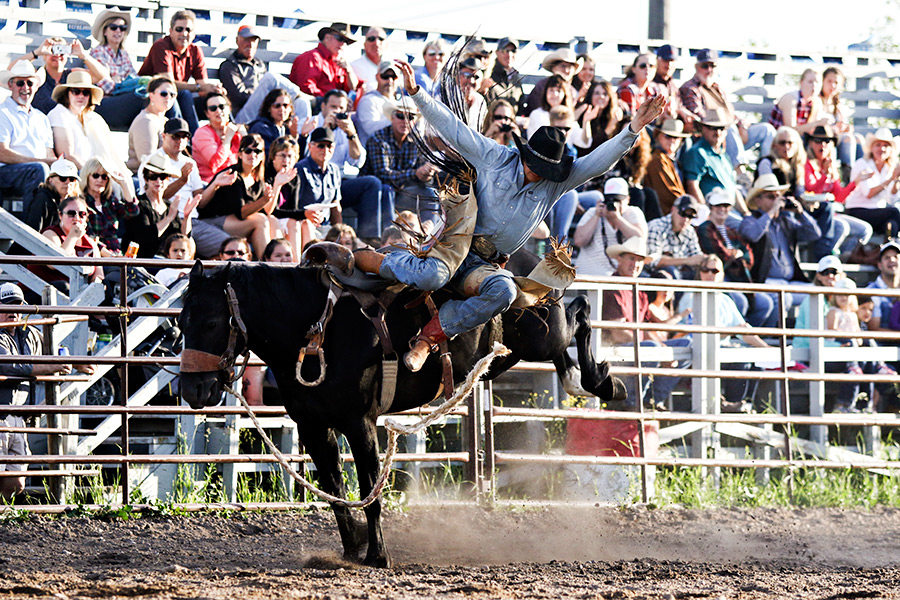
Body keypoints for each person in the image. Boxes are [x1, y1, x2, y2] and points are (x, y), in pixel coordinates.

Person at [352, 61, 665, 371]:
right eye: (534, 167)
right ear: (525, 156)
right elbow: (454, 128)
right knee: (433, 276)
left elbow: (597, 162)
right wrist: (417, 93)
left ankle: (427, 339)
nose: (537, 175)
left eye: (545, 171)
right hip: (457, 245)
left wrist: (633, 128)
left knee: (505, 290)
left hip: (489, 264)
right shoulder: (495, 156)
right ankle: (376, 260)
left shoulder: (556, 183)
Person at [0, 283, 75, 500]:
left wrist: (76, 362)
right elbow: (8, 365)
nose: (13, 312)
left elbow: (53, 351)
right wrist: (53, 366)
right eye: (6, 306)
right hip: (2, 413)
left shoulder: (29, 333)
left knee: (17, 481)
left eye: (17, 306)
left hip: (18, 416)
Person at [676, 254, 772, 410]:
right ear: (699, 272)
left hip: (719, 350)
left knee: (757, 359)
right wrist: (731, 331)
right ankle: (733, 405)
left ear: (721, 274)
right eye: (705, 270)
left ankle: (745, 405)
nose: (709, 274)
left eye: (714, 271)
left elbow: (743, 330)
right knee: (739, 358)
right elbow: (697, 334)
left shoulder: (725, 300)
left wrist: (766, 349)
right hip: (695, 351)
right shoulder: (691, 297)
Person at [600, 236, 683, 410]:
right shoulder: (612, 286)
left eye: (639, 261)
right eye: (631, 258)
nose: (635, 264)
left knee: (686, 344)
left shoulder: (639, 291)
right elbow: (619, 334)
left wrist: (662, 348)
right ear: (619, 259)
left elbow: (645, 328)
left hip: (632, 346)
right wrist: (659, 349)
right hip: (612, 349)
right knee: (651, 348)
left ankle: (651, 399)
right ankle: (630, 402)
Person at [143, 118, 225, 258]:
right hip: (166, 223)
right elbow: (150, 197)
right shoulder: (152, 162)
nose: (180, 140)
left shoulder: (189, 162)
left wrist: (215, 184)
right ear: (164, 136)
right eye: (175, 136)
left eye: (184, 136)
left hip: (192, 221)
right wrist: (181, 180)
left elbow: (201, 202)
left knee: (230, 247)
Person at [739, 173, 820, 311]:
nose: (776, 200)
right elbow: (753, 235)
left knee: (817, 294)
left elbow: (814, 234)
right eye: (771, 196)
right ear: (758, 201)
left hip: (790, 281)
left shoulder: (785, 221)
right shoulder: (750, 220)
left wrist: (800, 212)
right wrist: (771, 212)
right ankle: (777, 333)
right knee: (784, 298)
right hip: (765, 281)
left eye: (778, 196)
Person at [679, 49, 774, 166]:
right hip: (713, 134)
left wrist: (741, 124)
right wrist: (729, 125)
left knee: (767, 130)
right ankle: (739, 171)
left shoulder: (717, 88)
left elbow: (730, 113)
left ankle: (765, 170)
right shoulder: (691, 88)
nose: (709, 70)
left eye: (712, 66)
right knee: (729, 129)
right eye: (705, 66)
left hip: (733, 132)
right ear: (696, 67)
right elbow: (700, 117)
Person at [696, 188, 774, 328]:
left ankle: (746, 336)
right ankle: (733, 334)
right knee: (740, 302)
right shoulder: (705, 228)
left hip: (740, 278)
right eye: (718, 206)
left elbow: (748, 256)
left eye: (725, 206)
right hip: (719, 276)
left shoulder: (731, 231)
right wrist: (736, 255)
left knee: (765, 304)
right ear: (711, 208)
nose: (722, 209)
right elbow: (718, 253)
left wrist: (736, 255)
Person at [138, 10, 226, 133]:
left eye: (188, 30)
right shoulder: (161, 47)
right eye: (179, 29)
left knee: (218, 100)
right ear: (171, 31)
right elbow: (169, 84)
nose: (184, 33)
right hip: (150, 98)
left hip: (177, 97)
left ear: (194, 34)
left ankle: (231, 140)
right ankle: (191, 140)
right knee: (183, 94)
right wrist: (200, 87)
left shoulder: (195, 50)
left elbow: (202, 88)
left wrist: (213, 89)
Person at [315, 89, 385, 243]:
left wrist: (351, 134)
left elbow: (357, 161)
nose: (337, 111)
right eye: (333, 107)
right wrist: (325, 130)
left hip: (339, 180)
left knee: (372, 183)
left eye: (341, 108)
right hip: (314, 181)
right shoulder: (312, 122)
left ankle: (368, 238)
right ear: (323, 107)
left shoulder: (346, 127)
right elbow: (306, 157)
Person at [361, 99, 436, 229]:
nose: (405, 121)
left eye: (410, 117)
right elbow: (382, 175)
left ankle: (428, 234)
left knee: (431, 193)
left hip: (404, 192)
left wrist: (426, 175)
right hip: (376, 194)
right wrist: (416, 174)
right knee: (386, 189)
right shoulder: (378, 139)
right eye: (401, 116)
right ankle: (388, 234)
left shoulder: (418, 142)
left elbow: (424, 179)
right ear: (392, 117)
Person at [197, 134, 274, 258]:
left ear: (262, 155)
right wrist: (263, 200)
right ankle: (266, 265)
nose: (253, 155)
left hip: (232, 223)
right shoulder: (233, 175)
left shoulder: (259, 178)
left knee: (272, 221)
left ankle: (279, 262)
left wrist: (278, 185)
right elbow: (241, 213)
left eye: (257, 151)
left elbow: (268, 210)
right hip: (211, 221)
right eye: (248, 151)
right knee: (260, 220)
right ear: (239, 154)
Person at [802, 124, 873, 257]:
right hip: (813, 213)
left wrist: (856, 181)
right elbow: (812, 191)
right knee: (841, 227)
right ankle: (822, 262)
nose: (822, 144)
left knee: (865, 230)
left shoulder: (831, 165)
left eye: (827, 141)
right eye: (817, 141)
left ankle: (840, 260)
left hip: (830, 214)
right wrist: (825, 176)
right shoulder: (806, 164)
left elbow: (839, 197)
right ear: (811, 143)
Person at [0, 61, 55, 215]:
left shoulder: (41, 117)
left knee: (70, 175)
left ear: (36, 86)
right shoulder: (2, 112)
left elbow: (49, 153)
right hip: (6, 173)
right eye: (20, 83)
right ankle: (30, 232)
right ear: (10, 86)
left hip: (35, 170)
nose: (25, 88)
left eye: (30, 83)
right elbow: (2, 153)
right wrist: (41, 162)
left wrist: (59, 165)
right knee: (39, 169)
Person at [11, 36, 110, 116]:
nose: (58, 55)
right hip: (41, 125)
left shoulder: (72, 75)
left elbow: (101, 75)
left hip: (66, 127)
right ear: (45, 56)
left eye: (62, 52)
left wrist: (82, 54)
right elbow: (12, 70)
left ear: (68, 55)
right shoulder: (37, 76)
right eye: (53, 51)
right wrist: (37, 52)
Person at [124, 153, 194, 258]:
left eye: (162, 177)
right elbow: (146, 237)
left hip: (167, 262)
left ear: (168, 180)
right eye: (153, 177)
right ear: (146, 179)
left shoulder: (169, 205)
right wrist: (169, 217)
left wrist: (187, 217)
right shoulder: (138, 204)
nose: (158, 181)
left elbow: (182, 238)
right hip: (143, 261)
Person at [681, 108, 747, 216]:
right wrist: (705, 215)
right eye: (713, 128)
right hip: (715, 212)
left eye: (721, 128)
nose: (718, 132)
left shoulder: (724, 155)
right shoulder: (697, 152)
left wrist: (746, 213)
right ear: (703, 128)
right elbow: (692, 185)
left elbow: (733, 188)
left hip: (729, 210)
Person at [89, 8, 145, 130]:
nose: (118, 31)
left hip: (121, 101)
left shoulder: (123, 54)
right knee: (146, 94)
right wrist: (124, 83)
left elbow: (134, 77)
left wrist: (119, 81)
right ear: (104, 31)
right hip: (103, 104)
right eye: (113, 27)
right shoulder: (98, 52)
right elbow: (108, 87)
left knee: (157, 94)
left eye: (122, 28)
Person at [36, 195, 108, 288]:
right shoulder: (50, 234)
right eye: (71, 213)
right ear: (60, 215)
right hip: (45, 290)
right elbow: (54, 264)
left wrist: (97, 286)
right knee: (64, 286)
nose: (77, 218)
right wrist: (72, 237)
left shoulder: (91, 243)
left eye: (82, 214)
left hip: (79, 293)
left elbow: (98, 275)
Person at [46, 69, 109, 169]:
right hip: (75, 174)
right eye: (76, 91)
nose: (81, 96)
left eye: (86, 92)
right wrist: (89, 174)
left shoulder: (91, 117)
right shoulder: (59, 114)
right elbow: (67, 155)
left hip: (96, 173)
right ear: (67, 94)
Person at [844, 128, 900, 237]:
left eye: (886, 145)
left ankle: (889, 250)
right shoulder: (862, 164)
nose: (882, 148)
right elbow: (868, 193)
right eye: (878, 145)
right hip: (857, 210)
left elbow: (891, 199)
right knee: (894, 212)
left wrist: (896, 181)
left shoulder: (889, 169)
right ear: (872, 148)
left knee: (892, 224)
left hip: (877, 213)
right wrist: (890, 180)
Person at [81, 156, 138, 254]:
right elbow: (88, 238)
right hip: (96, 257)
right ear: (87, 177)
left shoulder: (109, 201)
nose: (100, 180)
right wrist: (111, 257)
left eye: (104, 177)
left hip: (116, 254)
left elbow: (132, 211)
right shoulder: (81, 203)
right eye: (95, 175)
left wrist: (123, 183)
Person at [289, 22, 360, 100]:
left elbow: (354, 89)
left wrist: (349, 70)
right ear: (327, 38)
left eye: (346, 42)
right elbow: (306, 89)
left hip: (333, 107)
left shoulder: (340, 63)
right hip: (315, 107)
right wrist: (332, 101)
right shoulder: (312, 57)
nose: (343, 44)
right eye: (340, 39)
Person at [646, 195, 706, 279]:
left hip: (681, 273)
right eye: (682, 214)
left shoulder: (690, 231)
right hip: (655, 276)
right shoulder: (656, 227)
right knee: (671, 272)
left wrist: (705, 260)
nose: (686, 220)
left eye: (690, 216)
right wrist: (686, 261)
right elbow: (651, 262)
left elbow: (696, 257)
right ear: (673, 209)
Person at [126, 75, 177, 172]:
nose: (168, 97)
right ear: (151, 95)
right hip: (144, 178)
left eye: (172, 94)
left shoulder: (164, 120)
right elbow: (148, 161)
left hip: (165, 176)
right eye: (163, 93)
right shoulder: (146, 121)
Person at [819, 67, 864, 172]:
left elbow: (844, 125)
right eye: (829, 81)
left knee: (858, 138)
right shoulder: (817, 101)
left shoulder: (837, 105)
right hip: (823, 138)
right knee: (847, 139)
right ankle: (847, 174)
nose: (833, 86)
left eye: (836, 82)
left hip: (836, 137)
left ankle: (860, 172)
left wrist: (846, 127)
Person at [192, 92, 243, 183]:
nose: (218, 111)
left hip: (235, 180)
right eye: (213, 108)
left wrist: (245, 135)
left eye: (222, 107)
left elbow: (253, 157)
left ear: (229, 109)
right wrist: (228, 139)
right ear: (207, 114)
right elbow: (215, 162)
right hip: (210, 183)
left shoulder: (236, 131)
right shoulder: (202, 133)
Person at [23, 158, 81, 234]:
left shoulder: (74, 202)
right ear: (50, 180)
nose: (68, 182)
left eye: (72, 179)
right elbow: (33, 233)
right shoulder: (42, 199)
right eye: (63, 178)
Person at [644, 118, 689, 214]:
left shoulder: (674, 161)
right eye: (668, 136)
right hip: (666, 215)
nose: (672, 140)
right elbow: (668, 195)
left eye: (676, 137)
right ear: (658, 137)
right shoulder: (657, 159)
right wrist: (690, 206)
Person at [524, 48, 582, 116]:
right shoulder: (542, 86)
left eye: (570, 67)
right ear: (553, 67)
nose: (566, 70)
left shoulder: (572, 91)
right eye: (563, 66)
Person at [355, 61, 399, 146]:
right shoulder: (368, 101)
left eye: (393, 77)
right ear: (377, 77)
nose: (390, 81)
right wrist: (397, 120)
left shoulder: (399, 103)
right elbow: (371, 130)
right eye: (385, 76)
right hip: (372, 154)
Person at [248, 88, 304, 156]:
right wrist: (293, 138)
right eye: (277, 106)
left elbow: (298, 157)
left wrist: (301, 136)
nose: (282, 109)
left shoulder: (286, 128)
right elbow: (271, 157)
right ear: (269, 108)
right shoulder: (261, 128)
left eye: (285, 105)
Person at [574, 80, 623, 158]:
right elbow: (590, 147)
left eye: (605, 94)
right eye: (597, 93)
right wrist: (608, 130)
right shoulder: (583, 111)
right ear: (591, 96)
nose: (601, 97)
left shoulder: (612, 116)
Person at [768, 68, 825, 134]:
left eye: (817, 82)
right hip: (779, 139)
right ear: (801, 83)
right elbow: (790, 130)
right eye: (810, 82)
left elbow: (810, 131)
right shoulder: (791, 99)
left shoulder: (816, 102)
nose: (814, 85)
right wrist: (817, 123)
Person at [866, 240, 900, 331]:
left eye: (896, 257)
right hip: (881, 344)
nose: (892, 260)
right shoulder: (870, 291)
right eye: (887, 258)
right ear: (880, 265)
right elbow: (874, 328)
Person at [526, 74, 573, 140]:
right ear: (546, 92)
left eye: (558, 91)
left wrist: (586, 121)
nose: (555, 94)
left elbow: (584, 143)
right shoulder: (537, 114)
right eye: (551, 90)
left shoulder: (569, 115)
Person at [483, 37, 524, 108]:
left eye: (513, 51)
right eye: (506, 51)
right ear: (497, 52)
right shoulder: (488, 73)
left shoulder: (516, 78)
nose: (510, 55)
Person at [351, 26, 388, 92]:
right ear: (364, 45)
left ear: (386, 45)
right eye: (371, 39)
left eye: (381, 39)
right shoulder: (354, 67)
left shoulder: (393, 66)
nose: (376, 43)